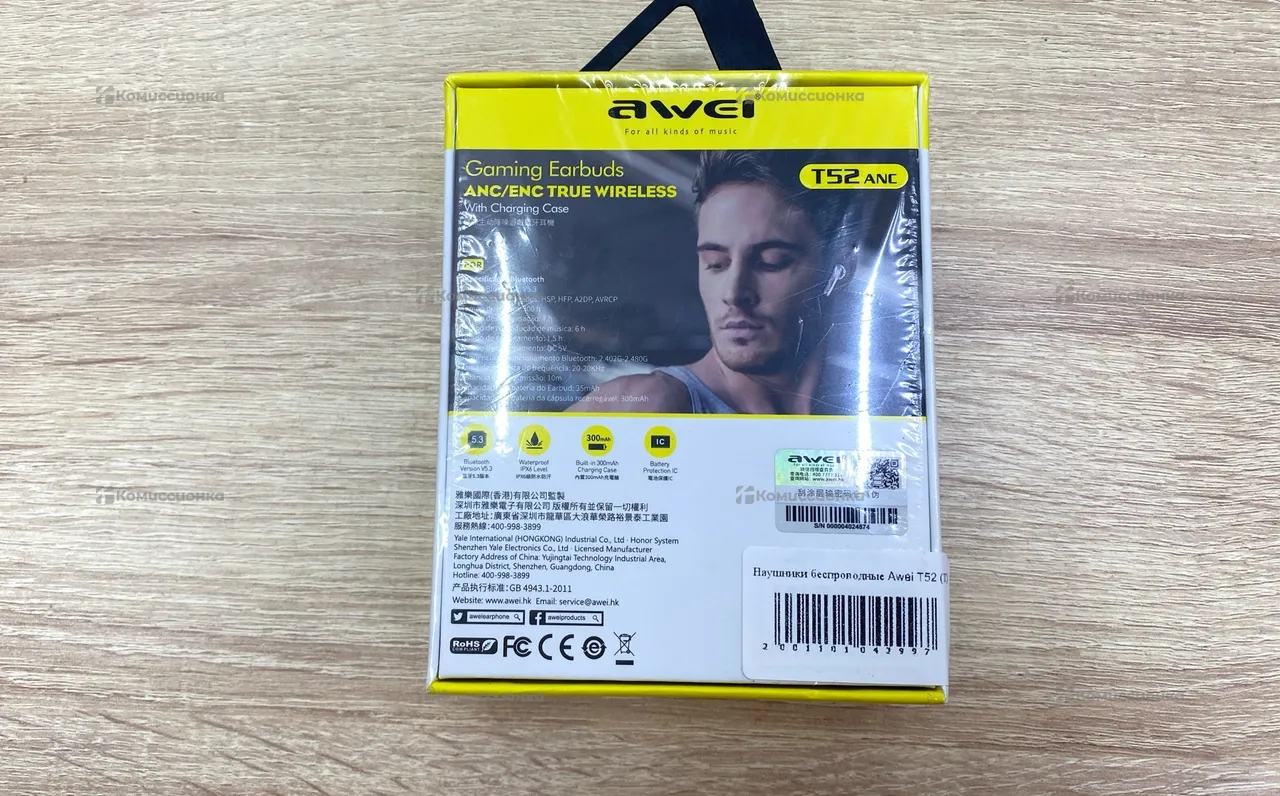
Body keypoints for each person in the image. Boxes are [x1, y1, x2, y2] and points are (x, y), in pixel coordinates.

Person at [568, 150, 845, 415]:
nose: (734, 293)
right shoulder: (651, 404)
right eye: (716, 263)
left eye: (770, 262)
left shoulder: (861, 414)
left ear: (839, 269)